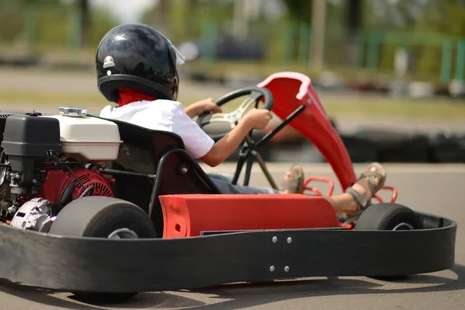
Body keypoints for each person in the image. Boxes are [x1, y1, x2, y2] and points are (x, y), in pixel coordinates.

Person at [95, 23, 386, 222]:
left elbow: (155, 119)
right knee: (248, 195)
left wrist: (192, 110)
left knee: (223, 184)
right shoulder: (168, 113)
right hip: (196, 199)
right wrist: (246, 123)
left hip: (151, 199)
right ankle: (343, 205)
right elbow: (215, 156)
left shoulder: (110, 115)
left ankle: (287, 198)